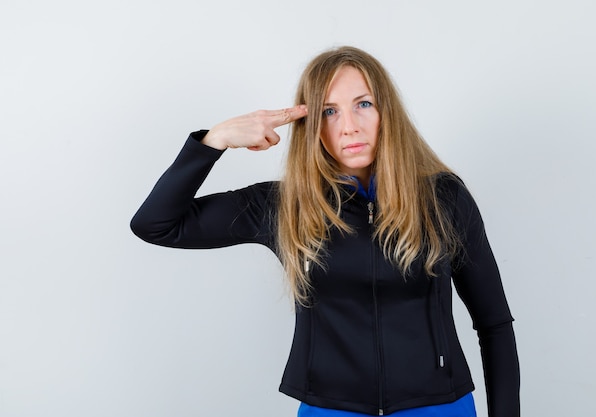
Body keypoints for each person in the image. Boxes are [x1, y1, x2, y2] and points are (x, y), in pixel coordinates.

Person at [131, 46, 520, 417]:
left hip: (439, 407)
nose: (349, 127)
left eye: (363, 104)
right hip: (330, 409)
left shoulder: (443, 197)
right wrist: (213, 141)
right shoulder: (285, 205)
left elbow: (494, 324)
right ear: (311, 124)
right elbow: (156, 224)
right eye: (329, 112)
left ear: (387, 111)